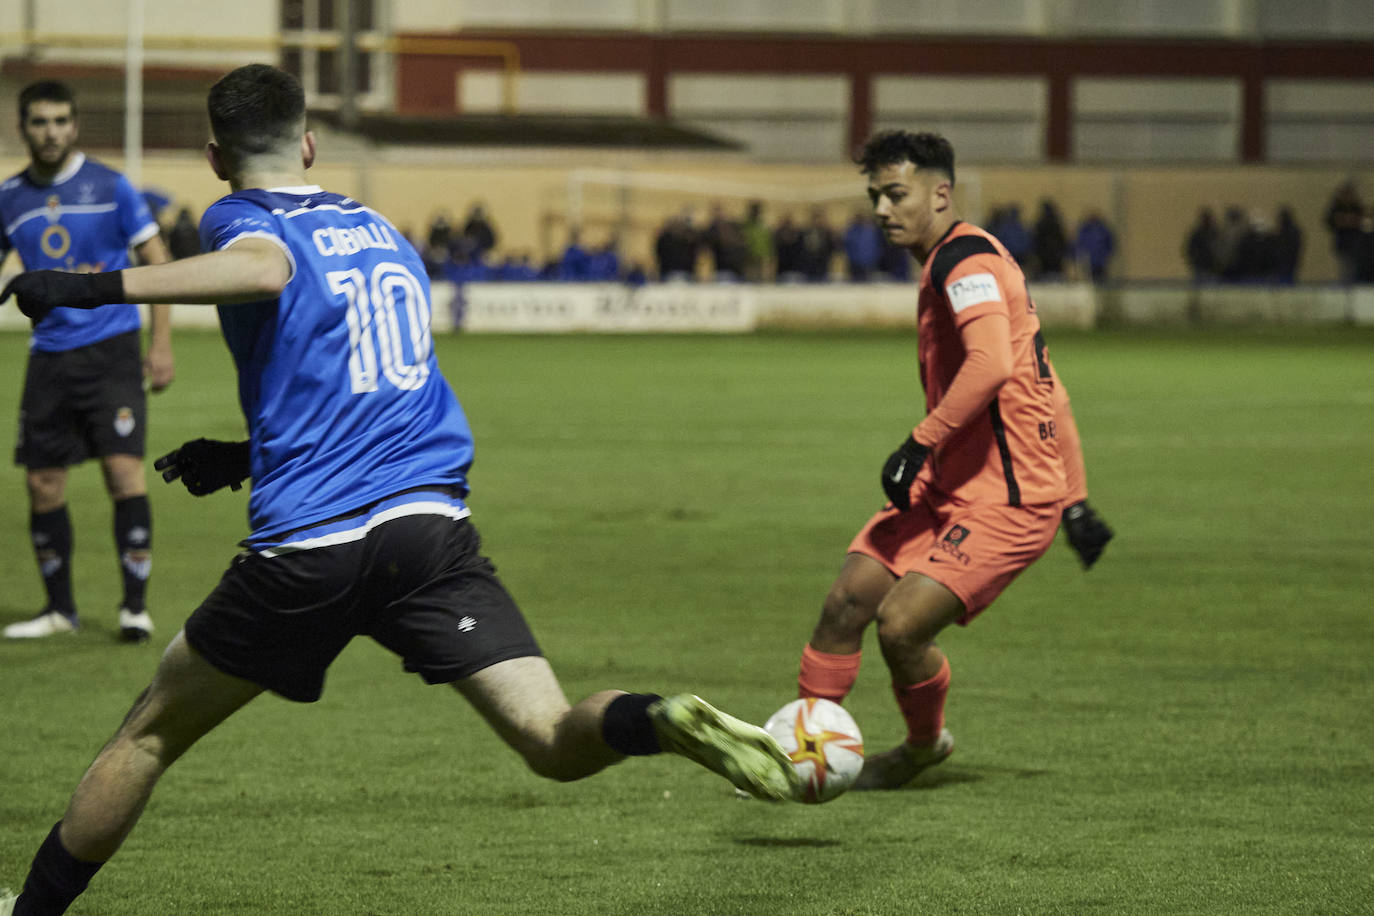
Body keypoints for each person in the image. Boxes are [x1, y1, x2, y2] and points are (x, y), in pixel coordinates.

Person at [0, 64, 799, 916]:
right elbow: (369, 380)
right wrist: (245, 456)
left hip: (312, 547)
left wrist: (83, 288)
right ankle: (655, 716)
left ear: (214, 156)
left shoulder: (240, 214)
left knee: (149, 732)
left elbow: (264, 273)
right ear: (309, 143)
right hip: (427, 531)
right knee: (551, 738)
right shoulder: (381, 230)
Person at [792, 130, 1113, 790]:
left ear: (941, 194)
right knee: (846, 602)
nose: (881, 209)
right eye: (875, 195)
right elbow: (1046, 386)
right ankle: (798, 751)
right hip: (952, 485)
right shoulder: (961, 259)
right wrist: (1078, 498)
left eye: (896, 194)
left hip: (1008, 502)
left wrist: (920, 441)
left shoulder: (961, 264)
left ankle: (920, 747)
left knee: (900, 626)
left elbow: (992, 366)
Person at [0, 80, 174, 643]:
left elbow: (157, 261)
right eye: (38, 122)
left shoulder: (111, 186)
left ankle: (134, 608)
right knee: (44, 485)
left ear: (73, 126)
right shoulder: (10, 197)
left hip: (111, 351)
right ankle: (59, 610)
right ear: (22, 127)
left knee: (123, 474)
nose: (49, 132)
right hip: (49, 355)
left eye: (59, 121)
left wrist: (161, 342)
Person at [1073, 210, 1115, 283]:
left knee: (1100, 278)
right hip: (1088, 261)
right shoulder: (1085, 230)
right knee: (1089, 279)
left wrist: (1105, 255)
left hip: (1100, 261)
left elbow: (1110, 244)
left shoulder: (1102, 230)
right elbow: (1079, 245)